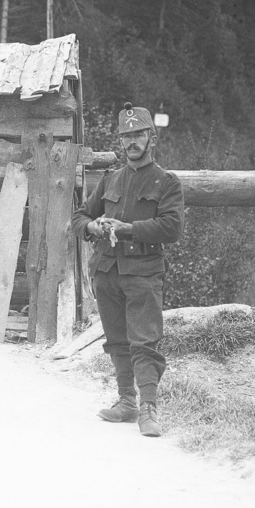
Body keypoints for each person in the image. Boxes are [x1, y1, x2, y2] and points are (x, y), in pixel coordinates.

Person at [72, 102, 183, 437]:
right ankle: (126, 401)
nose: (132, 141)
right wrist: (92, 227)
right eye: (126, 136)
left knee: (145, 342)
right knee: (117, 340)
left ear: (152, 138)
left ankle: (149, 408)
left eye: (138, 134)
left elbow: (172, 228)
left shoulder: (166, 182)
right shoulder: (111, 180)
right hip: (107, 271)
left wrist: (127, 229)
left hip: (144, 272)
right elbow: (80, 216)